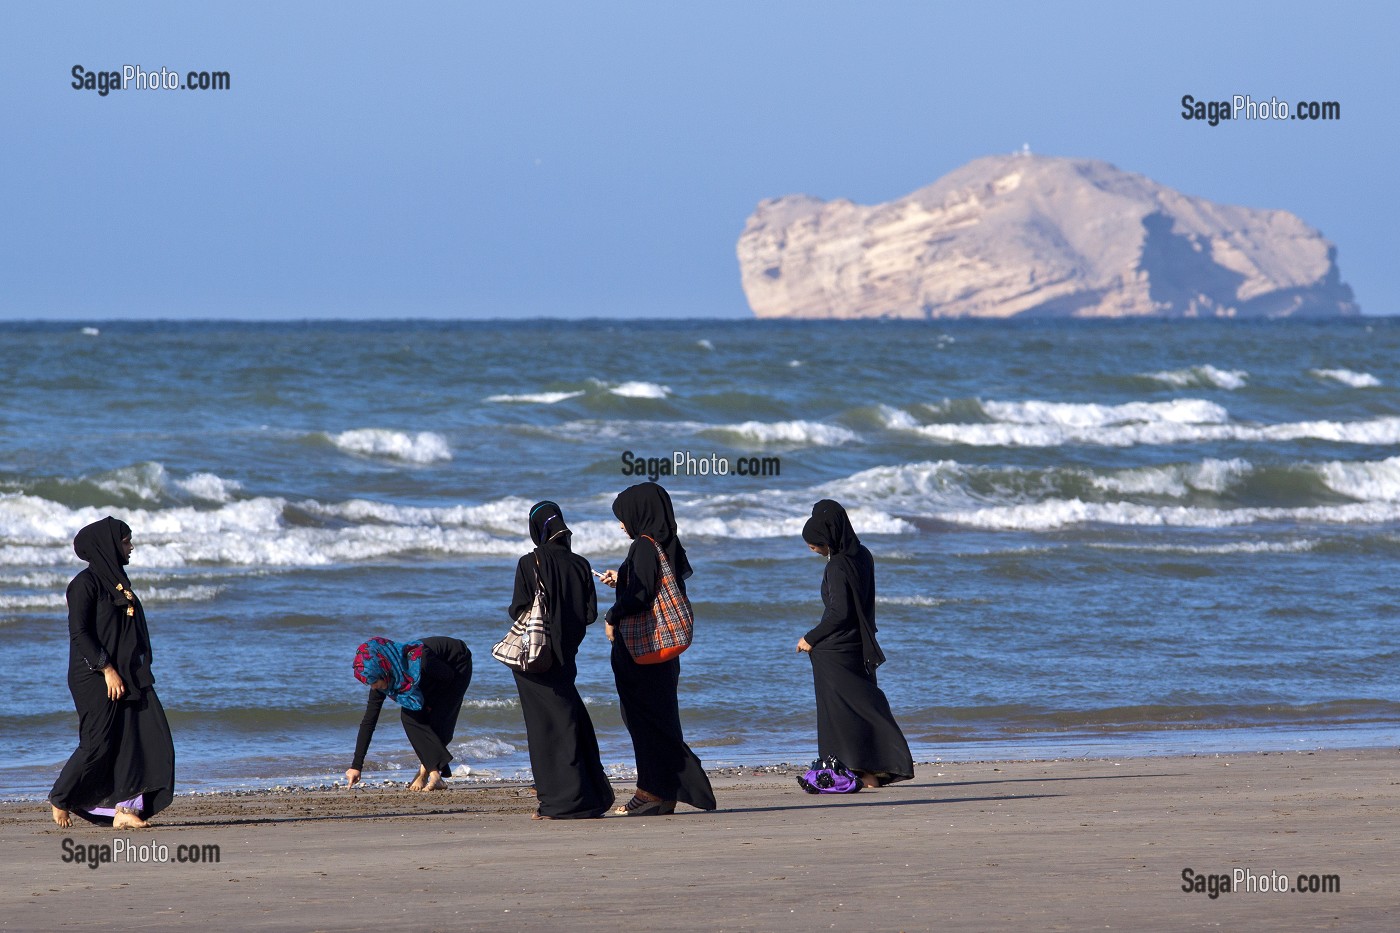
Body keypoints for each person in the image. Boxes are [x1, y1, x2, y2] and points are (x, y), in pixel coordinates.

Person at [50, 517, 175, 829]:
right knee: (98, 744)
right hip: (94, 677)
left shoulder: (118, 583)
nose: (131, 547)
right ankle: (61, 796)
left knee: (142, 739)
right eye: (125, 541)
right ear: (107, 545)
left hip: (127, 677)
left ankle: (124, 810)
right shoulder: (84, 585)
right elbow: (80, 634)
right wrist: (107, 669)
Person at [599, 482, 716, 816]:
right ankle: (664, 792)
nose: (622, 524)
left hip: (642, 653)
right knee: (660, 720)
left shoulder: (644, 547)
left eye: (623, 517)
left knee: (642, 721)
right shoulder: (667, 545)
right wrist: (622, 579)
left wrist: (612, 614)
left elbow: (638, 598)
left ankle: (650, 792)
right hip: (662, 652)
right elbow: (654, 589)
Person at [507, 501, 615, 819]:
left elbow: (518, 610)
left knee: (544, 728)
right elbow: (590, 614)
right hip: (566, 656)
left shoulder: (529, 563)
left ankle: (559, 801)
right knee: (568, 718)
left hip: (535, 658)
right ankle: (587, 794)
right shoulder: (581, 564)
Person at [796, 499, 913, 788]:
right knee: (860, 706)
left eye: (817, 544)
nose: (815, 549)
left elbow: (839, 612)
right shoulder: (863, 555)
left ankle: (851, 771)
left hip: (836, 651)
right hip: (860, 645)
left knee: (839, 714)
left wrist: (810, 638)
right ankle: (868, 772)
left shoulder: (836, 566)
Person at [346, 636, 472, 792]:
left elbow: (447, 677)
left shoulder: (422, 661)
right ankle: (434, 775)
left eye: (373, 682)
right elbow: (369, 721)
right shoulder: (382, 677)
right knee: (411, 716)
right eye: (369, 683)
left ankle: (426, 774)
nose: (373, 687)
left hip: (455, 664)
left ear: (383, 671)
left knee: (436, 720)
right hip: (430, 675)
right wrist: (356, 766)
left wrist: (427, 705)